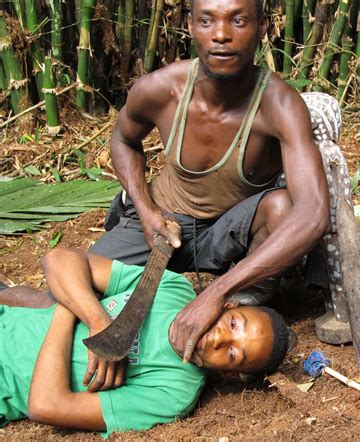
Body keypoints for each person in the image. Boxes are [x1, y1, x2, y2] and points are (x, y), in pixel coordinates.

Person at [9, 0, 329, 363]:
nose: (221, 34)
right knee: (67, 297)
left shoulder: (279, 104)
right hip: (163, 225)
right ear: (190, 26)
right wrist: (145, 211)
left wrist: (217, 293)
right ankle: (6, 295)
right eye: (207, 21)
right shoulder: (161, 90)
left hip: (229, 235)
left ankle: (231, 298)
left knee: (282, 207)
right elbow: (123, 140)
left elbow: (314, 213)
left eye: (238, 21)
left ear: (263, 27)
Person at [0, 248, 290, 436]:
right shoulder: (172, 289)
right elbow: (58, 259)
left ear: (227, 373)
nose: (218, 338)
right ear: (225, 306)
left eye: (232, 355)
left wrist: (68, 305)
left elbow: (46, 405)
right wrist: (97, 320)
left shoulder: (174, 392)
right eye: (234, 324)